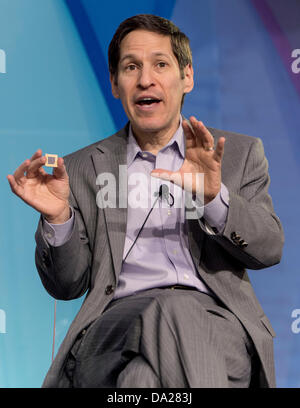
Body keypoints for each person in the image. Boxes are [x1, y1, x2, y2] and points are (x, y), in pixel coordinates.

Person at [7, 14, 284, 388]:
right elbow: (65, 286)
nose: (145, 79)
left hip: (216, 328)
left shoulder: (237, 154)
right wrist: (59, 219)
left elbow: (268, 248)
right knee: (166, 312)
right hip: (112, 329)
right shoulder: (81, 168)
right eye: (131, 67)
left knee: (142, 380)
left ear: (187, 76)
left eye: (160, 64)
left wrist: (213, 197)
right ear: (115, 84)